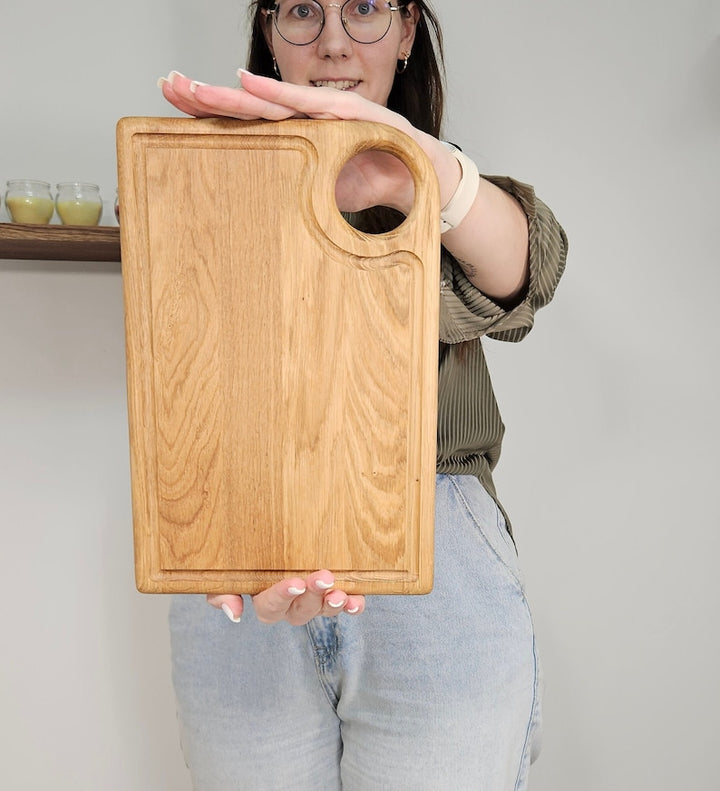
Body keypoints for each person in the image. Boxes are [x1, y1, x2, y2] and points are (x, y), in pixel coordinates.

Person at [159, 1, 567, 788]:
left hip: (434, 551)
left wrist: (401, 166)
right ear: (269, 34)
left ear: (409, 29)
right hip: (244, 560)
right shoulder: (207, 182)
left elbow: (528, 272)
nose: (336, 41)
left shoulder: (440, 192)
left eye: (366, 8)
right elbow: (190, 372)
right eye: (304, 12)